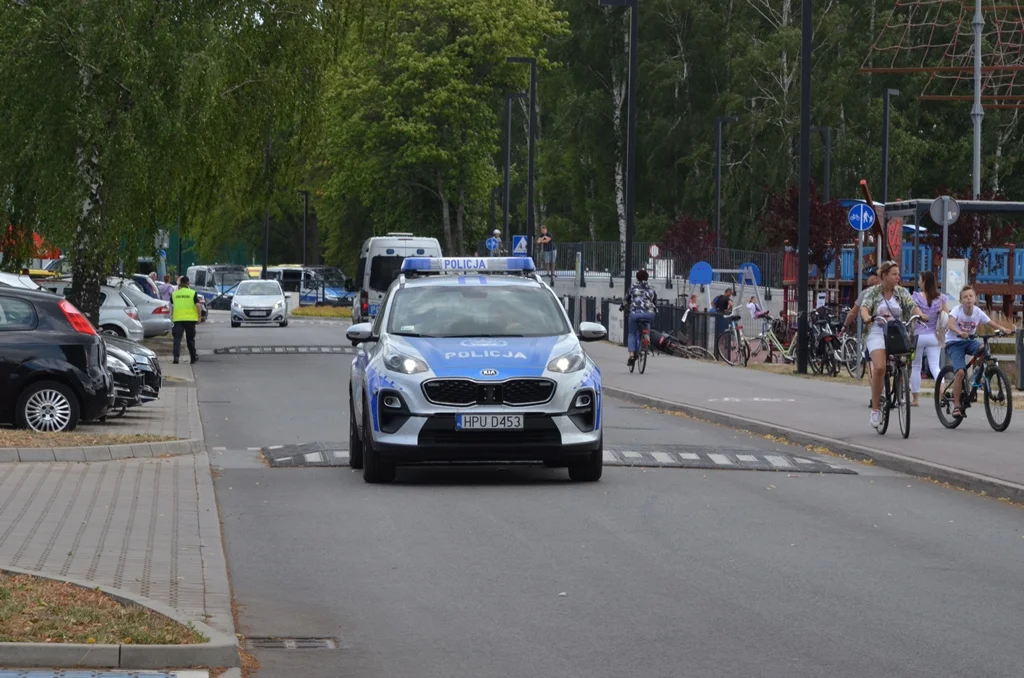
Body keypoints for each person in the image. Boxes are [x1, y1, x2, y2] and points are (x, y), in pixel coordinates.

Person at [860, 260, 926, 430]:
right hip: (877, 331)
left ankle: (901, 384)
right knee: (880, 368)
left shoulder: (902, 292)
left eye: (898, 274)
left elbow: (912, 306)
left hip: (897, 332)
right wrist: (867, 317)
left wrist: (920, 315)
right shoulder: (873, 292)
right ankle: (875, 409)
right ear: (884, 276)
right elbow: (864, 307)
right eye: (894, 274)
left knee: (905, 360)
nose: (898, 277)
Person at [943, 285, 1014, 419]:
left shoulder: (977, 312)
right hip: (954, 342)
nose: (968, 299)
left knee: (983, 348)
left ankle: (978, 373)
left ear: (975, 298)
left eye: (971, 296)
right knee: (960, 372)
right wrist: (959, 332)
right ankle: (957, 406)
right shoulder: (957, 311)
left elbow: (990, 322)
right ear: (961, 300)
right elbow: (950, 324)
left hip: (969, 341)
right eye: (965, 297)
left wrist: (1003, 329)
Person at [909, 270, 949, 407]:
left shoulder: (916, 297)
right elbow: (946, 315)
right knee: (935, 367)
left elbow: (912, 311)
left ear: (925, 281)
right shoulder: (941, 298)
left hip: (918, 335)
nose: (919, 282)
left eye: (920, 279)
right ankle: (941, 392)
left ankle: (915, 399)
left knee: (916, 367)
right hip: (935, 336)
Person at [624, 269, 657, 368]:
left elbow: (626, 299)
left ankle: (632, 355)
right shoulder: (652, 288)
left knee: (632, 334)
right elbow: (655, 301)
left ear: (637, 278)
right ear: (647, 277)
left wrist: (623, 306)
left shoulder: (633, 287)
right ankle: (646, 338)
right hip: (649, 313)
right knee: (647, 324)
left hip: (635, 313)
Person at [170, 276, 203, 365]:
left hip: (178, 319)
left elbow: (172, 305)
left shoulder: (174, 294)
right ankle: (193, 357)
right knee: (190, 339)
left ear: (179, 284)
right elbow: (198, 305)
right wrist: (199, 317)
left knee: (177, 339)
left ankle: (176, 357)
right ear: (188, 283)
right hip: (190, 319)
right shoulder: (192, 293)